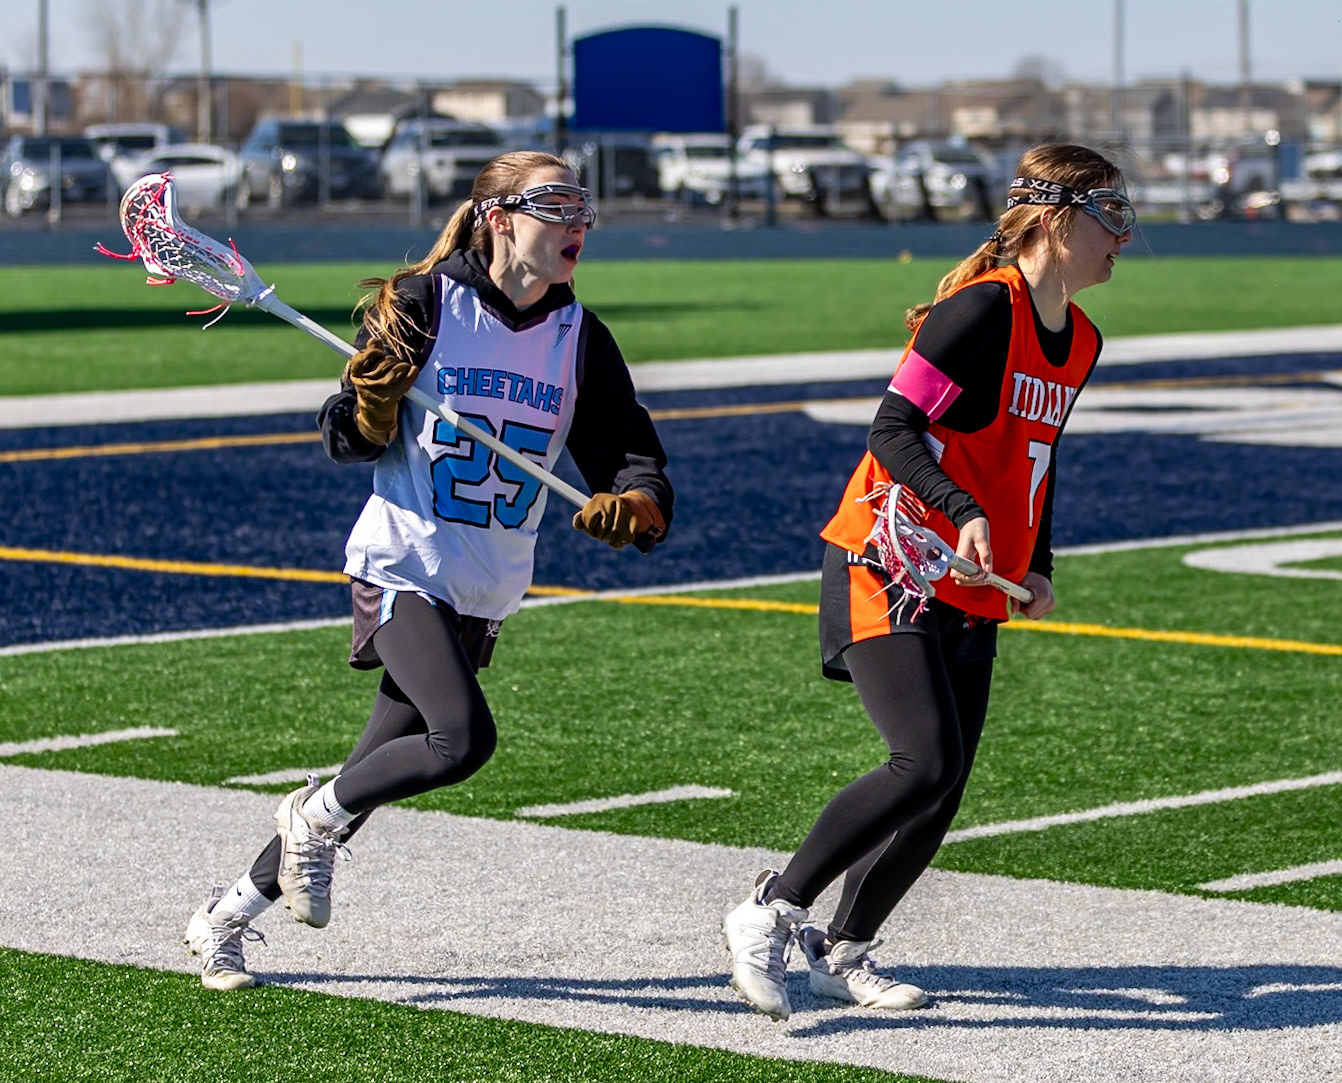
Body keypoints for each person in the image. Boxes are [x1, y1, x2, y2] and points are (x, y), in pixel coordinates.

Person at [183, 151, 674, 990]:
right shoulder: (423, 302)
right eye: (556, 207)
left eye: (582, 209)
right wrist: (371, 408)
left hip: (485, 587)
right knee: (460, 738)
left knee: (371, 772)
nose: (576, 225)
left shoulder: (579, 337)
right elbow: (344, 436)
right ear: (499, 217)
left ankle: (223, 917)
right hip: (403, 566)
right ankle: (308, 814)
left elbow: (630, 452)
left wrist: (635, 502)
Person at [722, 144, 1133, 1020]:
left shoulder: (1083, 340)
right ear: (1054, 218)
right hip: (888, 556)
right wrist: (958, 505)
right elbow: (891, 428)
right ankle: (770, 908)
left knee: (943, 786)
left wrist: (1038, 562)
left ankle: (841, 950)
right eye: (1109, 213)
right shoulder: (980, 308)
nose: (1123, 235)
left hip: (975, 575)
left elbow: (1038, 459)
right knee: (924, 759)